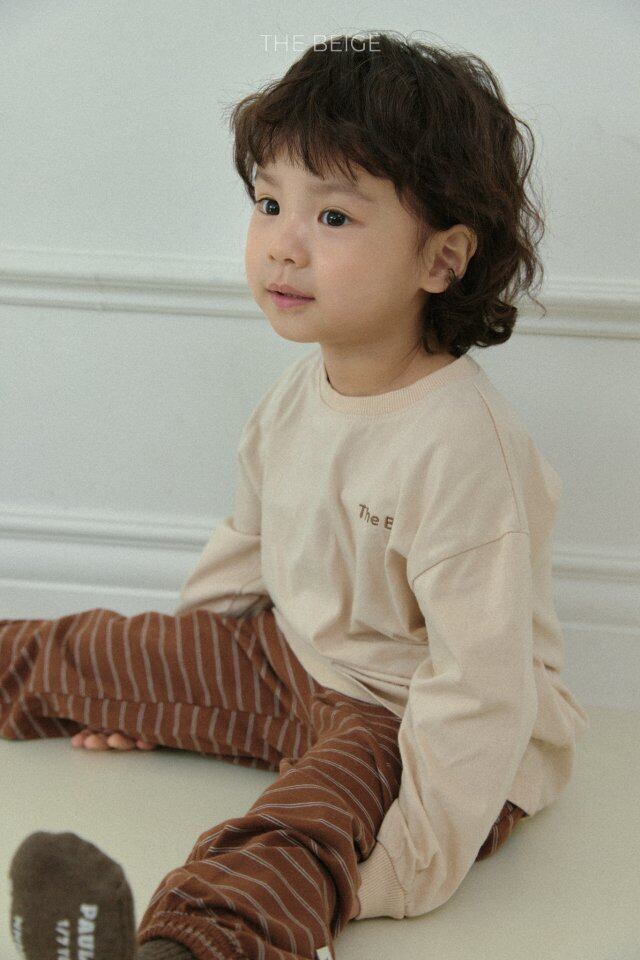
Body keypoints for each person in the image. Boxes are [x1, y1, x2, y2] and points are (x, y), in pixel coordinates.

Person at [2, 30, 590, 960]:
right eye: (270, 203)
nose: (282, 243)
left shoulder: (463, 448)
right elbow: (251, 538)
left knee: (296, 827)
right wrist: (169, 691)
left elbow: (480, 691)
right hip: (292, 665)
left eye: (334, 217)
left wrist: (402, 867)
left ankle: (184, 948)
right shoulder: (297, 392)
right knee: (84, 648)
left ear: (441, 260)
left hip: (411, 722)